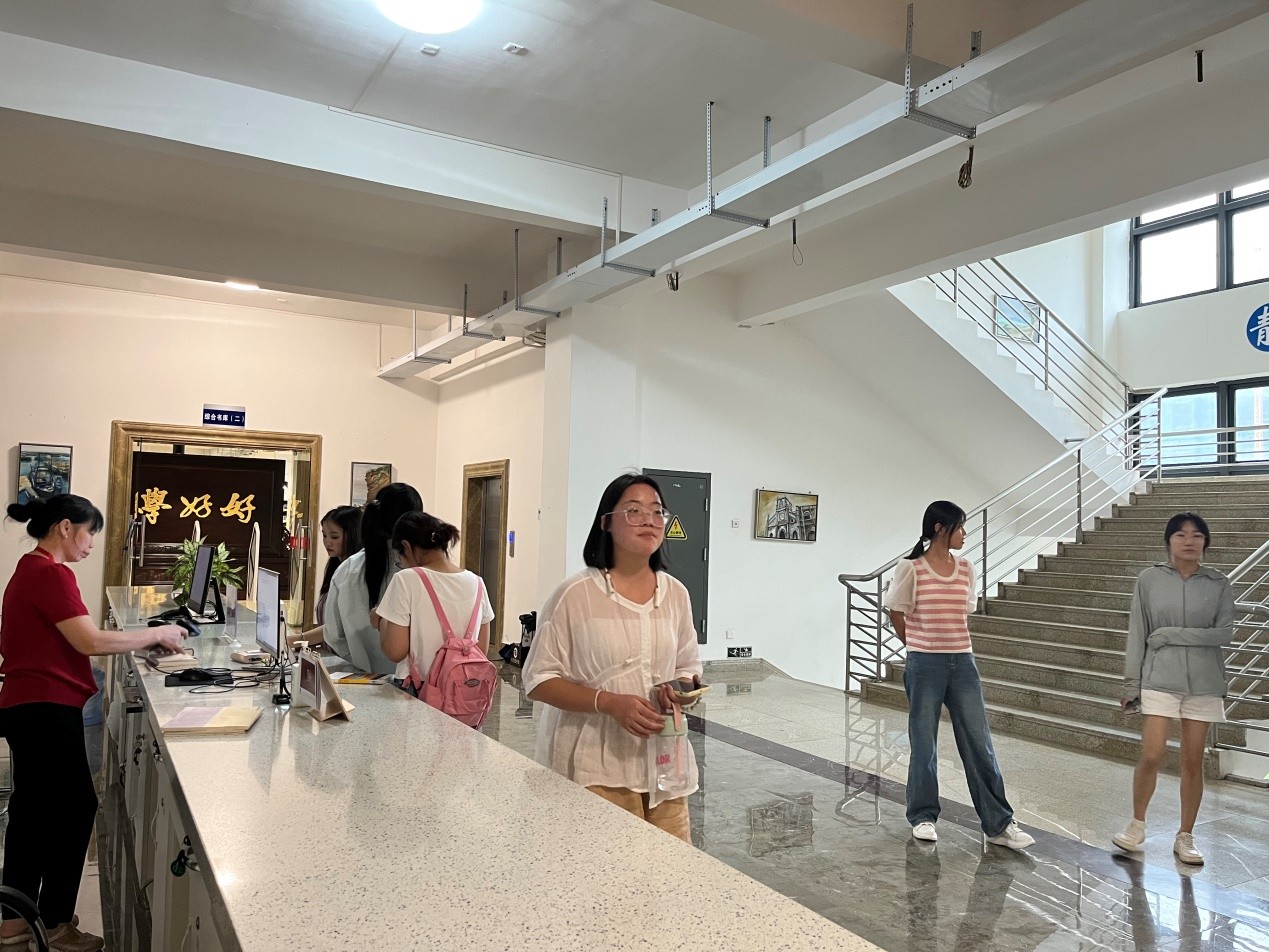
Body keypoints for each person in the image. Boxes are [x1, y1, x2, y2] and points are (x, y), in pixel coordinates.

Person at [0, 496, 186, 952]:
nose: (90, 544)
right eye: (90, 534)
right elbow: (89, 641)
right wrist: (157, 633)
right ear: (66, 527)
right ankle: (56, 923)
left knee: (33, 812)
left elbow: (74, 640)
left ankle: (15, 921)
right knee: (74, 808)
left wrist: (139, 642)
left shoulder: (31, 568)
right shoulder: (50, 574)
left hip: (29, 705)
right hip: (45, 707)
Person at [524, 473, 703, 843]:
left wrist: (682, 690)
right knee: (605, 873)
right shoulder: (576, 594)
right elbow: (539, 679)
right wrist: (608, 703)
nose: (649, 520)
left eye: (657, 512)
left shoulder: (676, 594)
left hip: (665, 766)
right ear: (606, 522)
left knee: (673, 870)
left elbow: (687, 665)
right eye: (634, 511)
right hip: (595, 767)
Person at [884, 500, 1034, 850]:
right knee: (924, 742)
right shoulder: (911, 568)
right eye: (960, 527)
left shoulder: (966, 568)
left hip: (963, 663)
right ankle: (922, 816)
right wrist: (916, 646)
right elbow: (896, 612)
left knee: (980, 743)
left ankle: (998, 824)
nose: (965, 534)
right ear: (940, 528)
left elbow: (962, 613)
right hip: (925, 664)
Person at [1114, 512, 1234, 866]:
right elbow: (1138, 632)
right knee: (1152, 754)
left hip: (1204, 682)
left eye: (1197, 535)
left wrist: (1170, 634)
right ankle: (1137, 824)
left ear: (1205, 542)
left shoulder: (1218, 582)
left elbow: (1224, 633)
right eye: (1181, 535)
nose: (1189, 541)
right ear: (1168, 541)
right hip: (1158, 679)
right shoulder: (1149, 579)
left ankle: (1186, 835)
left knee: (1193, 761)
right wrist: (1131, 683)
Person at [374, 511, 494, 684]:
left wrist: (380, 621)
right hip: (463, 690)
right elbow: (481, 650)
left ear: (406, 546)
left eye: (400, 559)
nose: (402, 564)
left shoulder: (406, 579)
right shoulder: (477, 582)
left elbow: (395, 651)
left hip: (419, 691)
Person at [324, 483, 422, 675]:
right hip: (413, 681)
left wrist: (360, 661)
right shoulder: (419, 571)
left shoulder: (348, 568)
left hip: (363, 676)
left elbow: (333, 635)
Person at [294, 507, 363, 650]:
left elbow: (336, 627)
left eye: (334, 537)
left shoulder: (356, 574)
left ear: (353, 535)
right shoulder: (336, 567)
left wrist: (296, 640)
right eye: (324, 536)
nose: (327, 542)